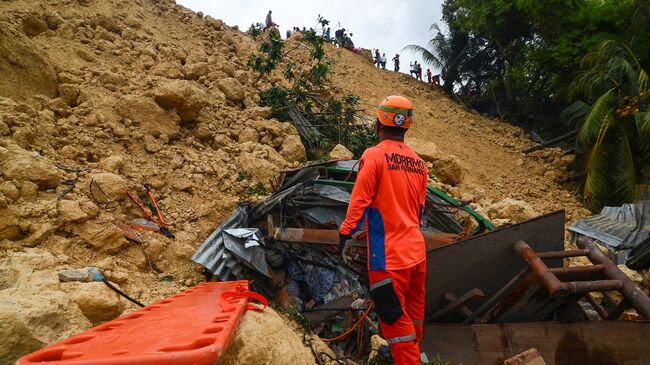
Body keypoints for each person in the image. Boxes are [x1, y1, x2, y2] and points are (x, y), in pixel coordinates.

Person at [339, 95, 427, 365]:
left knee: (393, 319)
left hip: (388, 258)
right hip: (417, 254)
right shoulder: (419, 164)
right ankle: (410, 353)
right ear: (406, 127)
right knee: (413, 315)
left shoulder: (374, 155)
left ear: (378, 124)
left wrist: (344, 235)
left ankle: (407, 359)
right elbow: (418, 213)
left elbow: (360, 201)